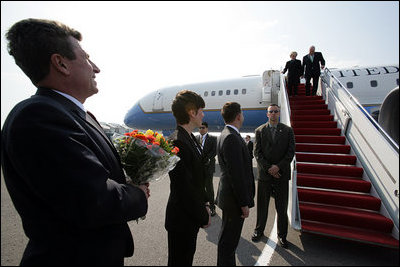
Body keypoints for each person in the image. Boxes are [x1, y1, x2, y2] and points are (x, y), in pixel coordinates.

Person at [1, 18, 149, 265]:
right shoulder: (38, 116)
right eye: (86, 58)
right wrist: (139, 194)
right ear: (61, 64)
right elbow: (95, 200)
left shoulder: (73, 114)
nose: (96, 68)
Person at [165, 90, 211, 266]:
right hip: (182, 218)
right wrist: (203, 215)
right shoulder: (177, 141)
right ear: (191, 112)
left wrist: (206, 202)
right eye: (201, 110)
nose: (203, 114)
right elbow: (184, 186)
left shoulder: (190, 137)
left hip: (190, 214)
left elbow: (198, 178)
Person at [216, 102, 255, 266]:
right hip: (234, 201)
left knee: (227, 240)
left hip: (229, 198)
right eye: (242, 114)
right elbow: (236, 175)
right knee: (228, 243)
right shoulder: (232, 137)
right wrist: (243, 203)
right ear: (238, 116)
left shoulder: (225, 134)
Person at [251, 104, 295, 248]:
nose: (274, 114)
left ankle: (282, 236)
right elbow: (257, 153)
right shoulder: (259, 131)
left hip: (281, 175)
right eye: (271, 112)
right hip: (265, 175)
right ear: (267, 114)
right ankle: (259, 231)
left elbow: (290, 153)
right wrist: (270, 168)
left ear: (279, 113)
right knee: (262, 206)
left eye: (276, 111)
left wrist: (278, 167)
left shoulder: (288, 131)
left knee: (281, 207)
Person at [196, 122, 218, 216]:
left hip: (208, 167)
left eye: (203, 127)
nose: (201, 129)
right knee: (200, 188)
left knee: (209, 188)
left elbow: (214, 151)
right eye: (200, 128)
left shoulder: (213, 138)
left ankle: (212, 207)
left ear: (207, 128)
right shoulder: (195, 138)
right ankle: (203, 206)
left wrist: (207, 159)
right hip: (198, 168)